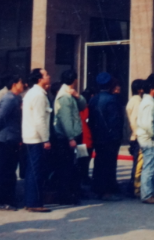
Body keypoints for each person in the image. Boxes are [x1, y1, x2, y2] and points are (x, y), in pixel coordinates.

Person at [88, 72, 124, 200]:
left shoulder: (93, 99)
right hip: (110, 138)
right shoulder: (112, 99)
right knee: (109, 164)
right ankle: (107, 191)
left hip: (97, 136)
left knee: (99, 163)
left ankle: (97, 189)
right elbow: (115, 121)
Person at [0, 75, 23, 211]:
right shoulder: (9, 99)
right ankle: (2, 201)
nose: (23, 85)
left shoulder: (16, 98)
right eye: (21, 83)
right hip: (5, 139)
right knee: (4, 171)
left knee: (9, 171)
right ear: (14, 84)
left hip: (12, 139)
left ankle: (9, 199)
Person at [53, 69, 86, 205]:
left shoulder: (70, 94)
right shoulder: (64, 96)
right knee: (67, 168)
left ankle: (71, 193)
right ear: (74, 80)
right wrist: (71, 137)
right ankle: (66, 196)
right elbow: (65, 119)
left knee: (72, 166)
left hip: (73, 134)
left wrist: (78, 96)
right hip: (68, 137)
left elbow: (83, 106)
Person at [22, 68, 52, 213]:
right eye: (46, 75)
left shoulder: (32, 93)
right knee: (35, 171)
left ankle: (31, 201)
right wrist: (45, 139)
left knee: (32, 170)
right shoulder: (38, 95)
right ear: (40, 79)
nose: (49, 76)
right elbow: (39, 120)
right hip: (36, 138)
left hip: (31, 136)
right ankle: (34, 202)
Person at [136, 74, 154, 204]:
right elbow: (148, 123)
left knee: (150, 166)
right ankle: (147, 194)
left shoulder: (148, 101)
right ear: (153, 87)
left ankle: (149, 193)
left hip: (147, 138)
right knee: (149, 168)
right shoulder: (150, 103)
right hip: (150, 139)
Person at [125, 79, 145, 198]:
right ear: (139, 90)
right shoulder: (137, 101)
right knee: (138, 164)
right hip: (137, 136)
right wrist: (137, 134)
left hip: (134, 136)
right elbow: (134, 120)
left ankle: (133, 187)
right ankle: (135, 188)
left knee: (136, 163)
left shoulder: (132, 100)